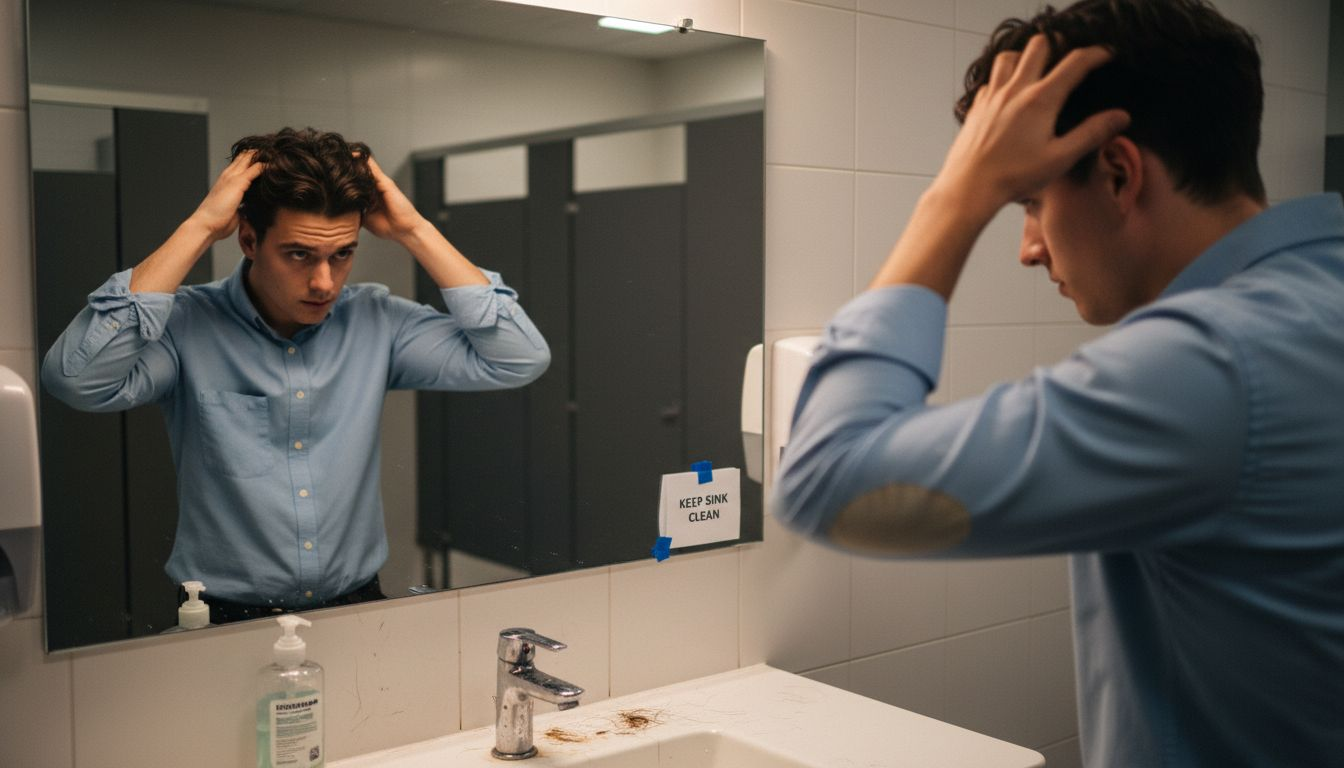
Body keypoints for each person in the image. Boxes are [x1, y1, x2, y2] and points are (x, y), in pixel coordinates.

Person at [772, 1, 1343, 766]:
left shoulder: (1216, 366)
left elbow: (828, 479)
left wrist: (959, 194)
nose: (1028, 249)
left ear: (1118, 173)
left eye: (1031, 202)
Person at [42, 127, 550, 623]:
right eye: (299, 254)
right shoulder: (187, 326)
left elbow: (519, 357)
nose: (324, 282)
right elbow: (78, 380)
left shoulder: (378, 321)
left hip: (358, 604)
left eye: (342, 254)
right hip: (224, 614)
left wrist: (413, 229)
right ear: (248, 239)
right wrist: (200, 227)